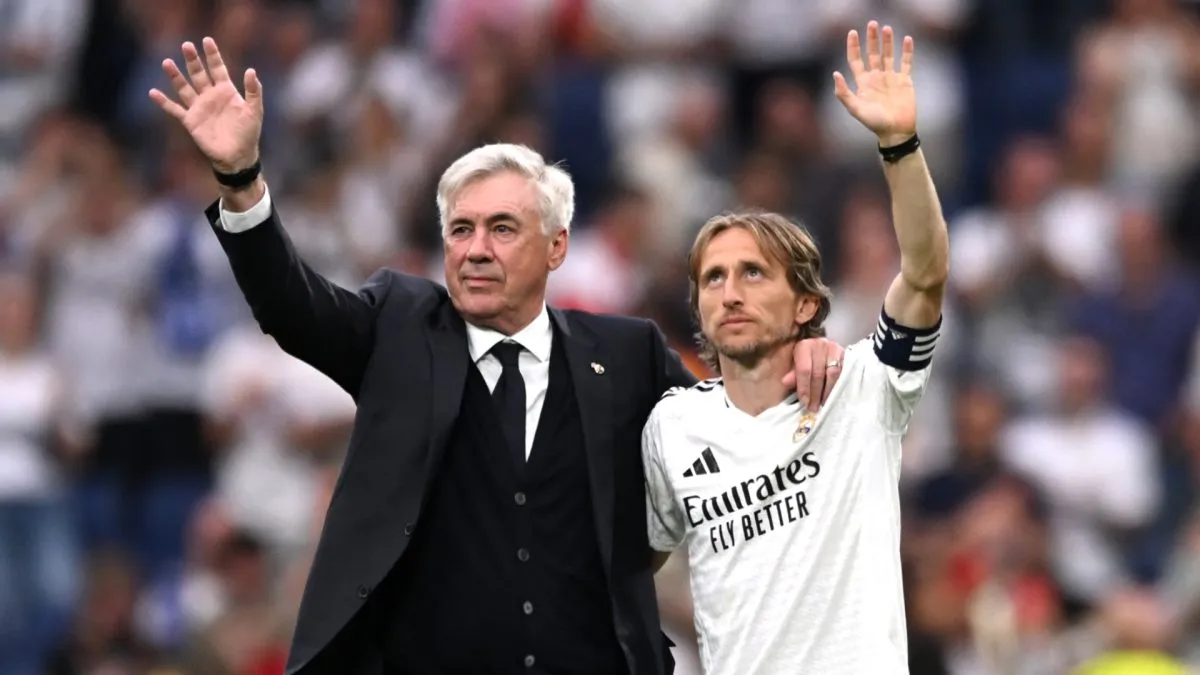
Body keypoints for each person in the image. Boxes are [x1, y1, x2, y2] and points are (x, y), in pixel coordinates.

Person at [147, 38, 848, 675]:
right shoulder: (398, 325)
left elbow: (735, 421)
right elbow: (292, 306)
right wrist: (241, 179)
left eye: (502, 228)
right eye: (461, 230)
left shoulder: (627, 352)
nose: (476, 248)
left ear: (556, 247)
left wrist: (801, 353)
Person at [641, 22, 948, 675]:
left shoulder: (862, 386)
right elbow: (626, 560)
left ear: (806, 303)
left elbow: (924, 274)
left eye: (754, 273)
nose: (730, 291)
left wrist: (898, 144)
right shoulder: (671, 427)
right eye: (713, 278)